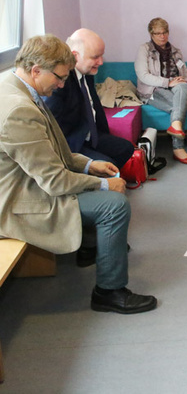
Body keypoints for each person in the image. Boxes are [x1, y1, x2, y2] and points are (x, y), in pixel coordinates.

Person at [0, 35, 157, 314]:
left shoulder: (17, 88)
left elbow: (53, 152)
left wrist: (87, 165)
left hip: (30, 182)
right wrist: (104, 184)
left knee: (106, 188)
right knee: (114, 205)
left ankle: (91, 245)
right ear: (36, 70)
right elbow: (54, 181)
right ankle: (109, 292)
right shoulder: (19, 110)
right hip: (19, 199)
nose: (61, 84)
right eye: (59, 78)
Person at [44, 29, 134, 169]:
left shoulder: (87, 73)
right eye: (95, 57)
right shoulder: (60, 83)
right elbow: (51, 128)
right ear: (75, 56)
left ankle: (106, 180)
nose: (101, 62)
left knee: (126, 148)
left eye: (101, 56)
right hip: (72, 143)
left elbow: (94, 107)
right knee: (109, 165)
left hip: (90, 135)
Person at [135, 18, 187, 165]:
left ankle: (176, 127)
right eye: (158, 33)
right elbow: (143, 76)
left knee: (185, 87)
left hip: (176, 88)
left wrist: (182, 83)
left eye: (165, 32)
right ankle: (178, 148)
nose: (162, 36)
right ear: (151, 34)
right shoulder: (145, 49)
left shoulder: (176, 51)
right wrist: (167, 82)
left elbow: (186, 75)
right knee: (178, 105)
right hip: (152, 89)